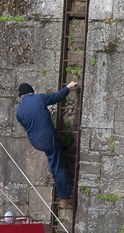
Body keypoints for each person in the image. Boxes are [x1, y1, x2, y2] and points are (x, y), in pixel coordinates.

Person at [15, 80, 78, 208]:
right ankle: (65, 197)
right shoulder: (38, 98)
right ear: (31, 92)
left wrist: (45, 113)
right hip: (47, 139)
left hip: (36, 142)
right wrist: (68, 87)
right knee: (57, 165)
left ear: (21, 96)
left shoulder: (18, 111)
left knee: (57, 147)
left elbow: (32, 122)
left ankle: (53, 175)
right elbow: (57, 97)